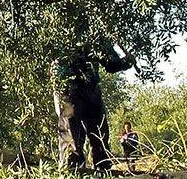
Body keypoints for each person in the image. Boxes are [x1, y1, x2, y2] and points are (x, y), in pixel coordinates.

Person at [54, 38, 134, 171]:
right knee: (70, 133)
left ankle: (103, 169)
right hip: (67, 88)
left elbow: (111, 64)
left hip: (91, 88)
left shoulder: (95, 31)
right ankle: (71, 171)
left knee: (99, 134)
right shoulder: (58, 29)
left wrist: (126, 61)